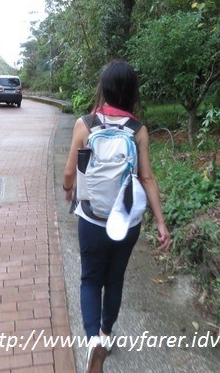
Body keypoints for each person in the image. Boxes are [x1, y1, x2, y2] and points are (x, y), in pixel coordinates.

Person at [62, 60, 171, 373]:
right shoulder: (138, 130)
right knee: (114, 278)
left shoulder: (85, 124)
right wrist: (161, 223)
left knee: (90, 278)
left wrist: (68, 188)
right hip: (126, 221)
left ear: (104, 88)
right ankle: (107, 334)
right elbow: (147, 178)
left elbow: (70, 171)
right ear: (131, 92)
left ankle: (93, 342)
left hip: (92, 217)